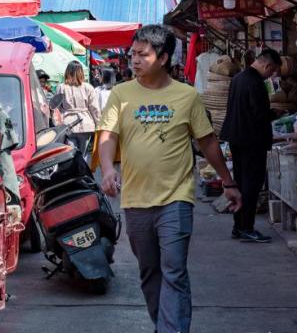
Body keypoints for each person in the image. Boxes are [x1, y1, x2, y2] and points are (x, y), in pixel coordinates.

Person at [99, 25, 241, 333]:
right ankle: (163, 324)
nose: (134, 60)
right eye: (132, 53)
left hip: (176, 200)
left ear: (162, 58)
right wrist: (108, 168)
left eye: (142, 54)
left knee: (174, 271)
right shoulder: (120, 94)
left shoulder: (186, 96)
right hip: (136, 200)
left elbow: (207, 142)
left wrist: (228, 182)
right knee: (150, 273)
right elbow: (108, 135)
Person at [220, 47, 281, 243]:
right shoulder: (255, 82)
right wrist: (275, 114)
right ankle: (246, 227)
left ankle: (238, 227)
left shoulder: (239, 77)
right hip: (252, 141)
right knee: (251, 185)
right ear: (267, 65)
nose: (270, 75)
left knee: (241, 182)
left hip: (237, 138)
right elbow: (259, 113)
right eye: (271, 72)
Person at [56, 61, 100, 154]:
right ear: (81, 72)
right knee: (83, 155)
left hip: (68, 124)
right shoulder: (88, 87)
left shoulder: (61, 87)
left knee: (70, 156)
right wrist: (99, 124)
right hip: (86, 123)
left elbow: (57, 109)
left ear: (67, 72)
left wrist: (57, 125)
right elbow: (94, 108)